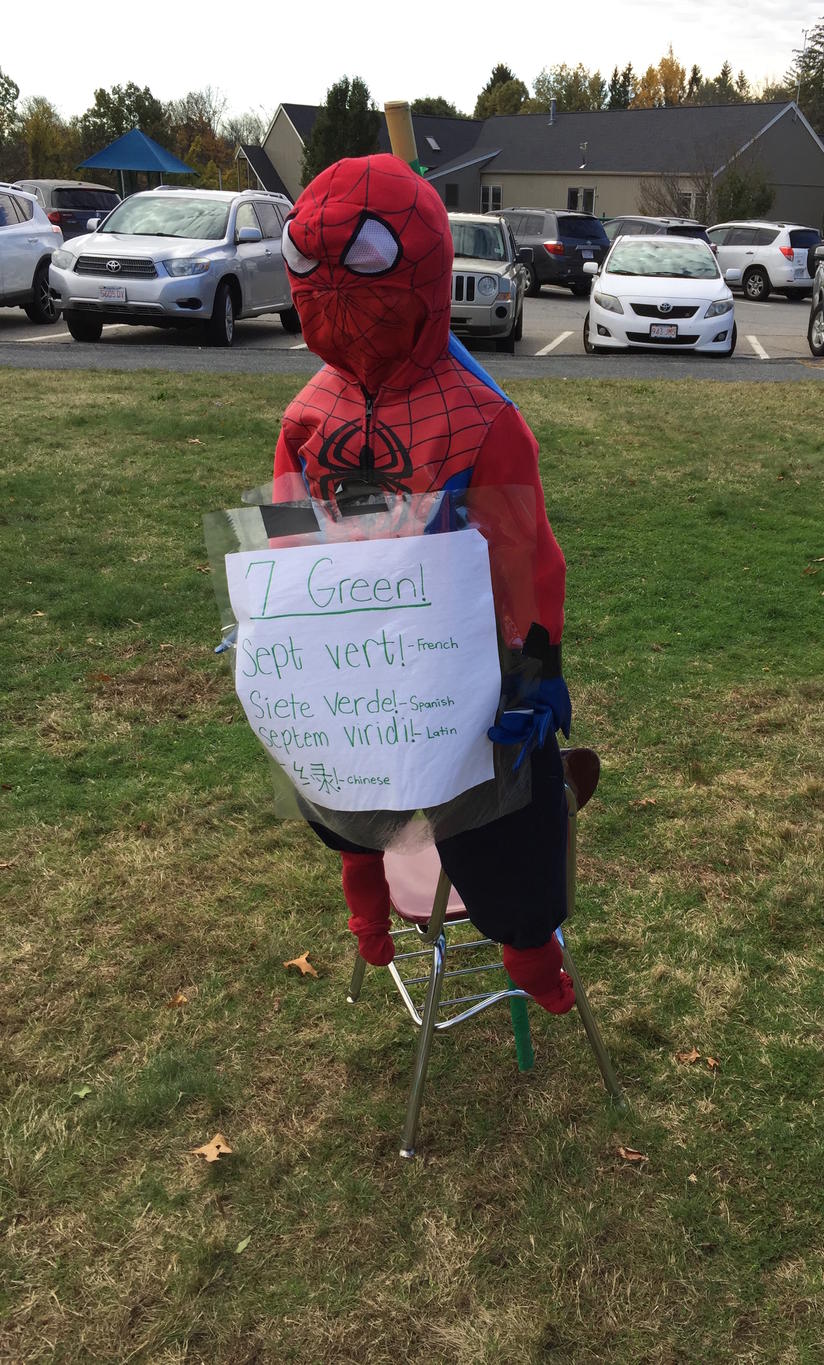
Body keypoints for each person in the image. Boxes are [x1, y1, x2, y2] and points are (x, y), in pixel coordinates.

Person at [272, 153, 575, 1013]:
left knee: (503, 822)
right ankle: (369, 904)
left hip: (461, 666)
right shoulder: (309, 412)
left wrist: (535, 666)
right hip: (354, 654)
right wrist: (277, 616)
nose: (334, 287)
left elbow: (524, 554)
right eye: (310, 261)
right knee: (343, 784)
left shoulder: (481, 418)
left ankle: (525, 949)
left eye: (359, 260)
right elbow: (288, 523)